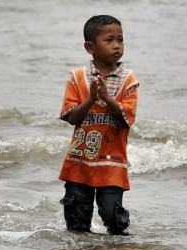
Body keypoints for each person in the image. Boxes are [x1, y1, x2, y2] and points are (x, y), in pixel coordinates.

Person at [58, 15, 139, 236]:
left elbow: (127, 120)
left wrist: (108, 99)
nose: (117, 46)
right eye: (110, 40)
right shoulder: (77, 77)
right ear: (90, 47)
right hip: (79, 163)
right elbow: (71, 117)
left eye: (120, 40)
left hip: (112, 165)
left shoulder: (128, 79)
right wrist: (91, 99)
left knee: (115, 220)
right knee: (76, 224)